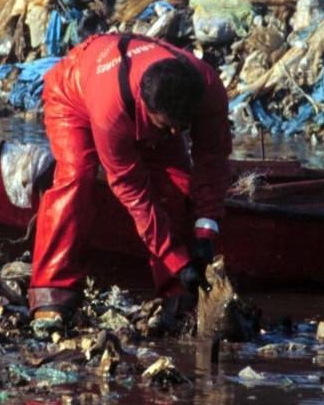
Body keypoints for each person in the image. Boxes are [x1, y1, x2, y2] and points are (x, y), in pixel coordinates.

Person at [29, 32, 232, 335]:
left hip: (139, 102)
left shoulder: (208, 88)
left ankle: (177, 295)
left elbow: (213, 159)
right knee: (77, 176)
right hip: (74, 97)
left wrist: (206, 230)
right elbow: (136, 196)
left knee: (177, 184)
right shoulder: (111, 114)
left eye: (184, 127)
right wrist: (178, 259)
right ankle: (51, 290)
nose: (177, 135)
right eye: (168, 127)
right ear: (146, 107)